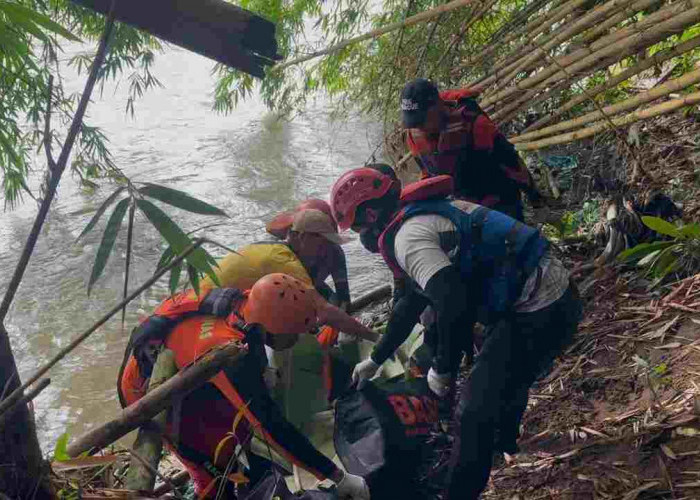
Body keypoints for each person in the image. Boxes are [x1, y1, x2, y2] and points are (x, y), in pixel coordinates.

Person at [330, 165, 582, 499]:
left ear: (372, 213)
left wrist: (443, 370)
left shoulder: (408, 238)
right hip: (540, 293)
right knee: (501, 377)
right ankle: (503, 444)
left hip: (542, 305)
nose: (361, 235)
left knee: (471, 412)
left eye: (358, 225)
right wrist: (376, 359)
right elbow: (410, 303)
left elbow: (453, 305)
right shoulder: (415, 216)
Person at [119, 274, 375, 499]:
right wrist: (336, 475)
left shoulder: (245, 305)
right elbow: (269, 424)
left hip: (187, 365)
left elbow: (253, 351)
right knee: (215, 469)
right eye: (295, 332)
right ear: (277, 326)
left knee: (238, 432)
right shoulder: (227, 354)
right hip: (151, 392)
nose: (297, 338)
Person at [400, 78, 547, 222]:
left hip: (498, 199)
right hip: (462, 206)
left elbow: (511, 163)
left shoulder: (474, 124)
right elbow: (427, 173)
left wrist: (534, 197)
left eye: (422, 120)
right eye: (414, 122)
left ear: (437, 105)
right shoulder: (414, 135)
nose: (419, 127)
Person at [202, 208, 351, 308]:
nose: (325, 249)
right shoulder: (285, 262)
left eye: (328, 243)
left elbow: (343, 298)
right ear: (299, 238)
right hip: (215, 300)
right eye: (322, 243)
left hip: (222, 295)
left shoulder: (334, 254)